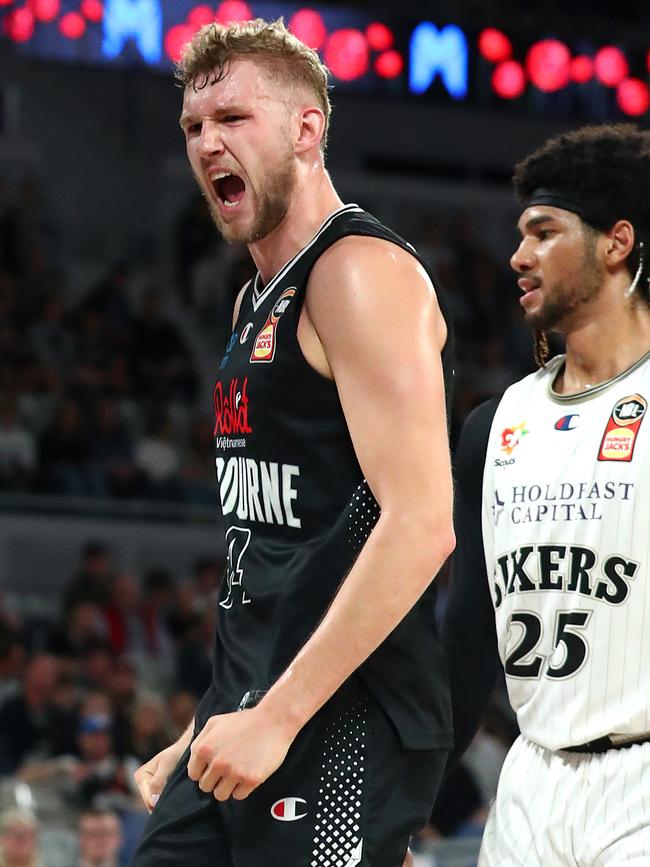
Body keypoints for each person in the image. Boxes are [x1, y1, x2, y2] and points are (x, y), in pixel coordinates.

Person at [131, 17, 455, 867]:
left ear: (307, 129)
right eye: (195, 127)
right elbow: (273, 552)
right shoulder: (253, 300)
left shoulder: (357, 273)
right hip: (256, 707)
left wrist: (277, 715)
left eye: (233, 118)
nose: (208, 143)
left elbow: (423, 522)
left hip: (346, 718)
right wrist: (214, 720)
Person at [443, 123, 650, 866]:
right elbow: (466, 630)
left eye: (543, 232)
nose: (517, 256)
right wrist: (416, 796)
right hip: (530, 781)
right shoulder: (492, 426)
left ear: (616, 242)